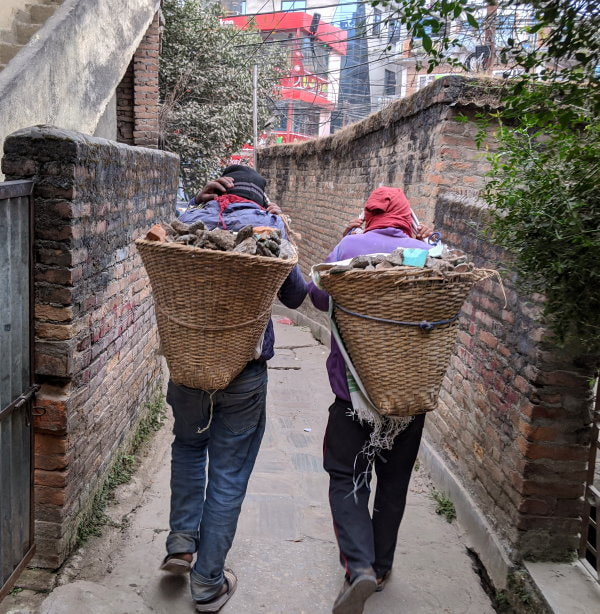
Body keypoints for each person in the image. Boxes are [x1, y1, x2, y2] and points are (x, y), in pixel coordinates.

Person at [160, 165, 307, 613]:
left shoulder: (190, 220)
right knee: (228, 472)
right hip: (243, 372)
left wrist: (194, 207)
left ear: (219, 187)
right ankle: (207, 584)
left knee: (188, 447)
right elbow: (296, 296)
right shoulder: (267, 225)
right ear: (261, 198)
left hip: (188, 366)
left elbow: (165, 241)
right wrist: (279, 227)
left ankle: (181, 545)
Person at [308, 187, 433, 614]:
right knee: (393, 483)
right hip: (408, 400)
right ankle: (379, 569)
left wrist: (347, 245)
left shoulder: (350, 246)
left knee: (347, 476)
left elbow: (319, 296)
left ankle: (358, 565)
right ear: (405, 217)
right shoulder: (428, 253)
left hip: (353, 397)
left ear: (369, 216)